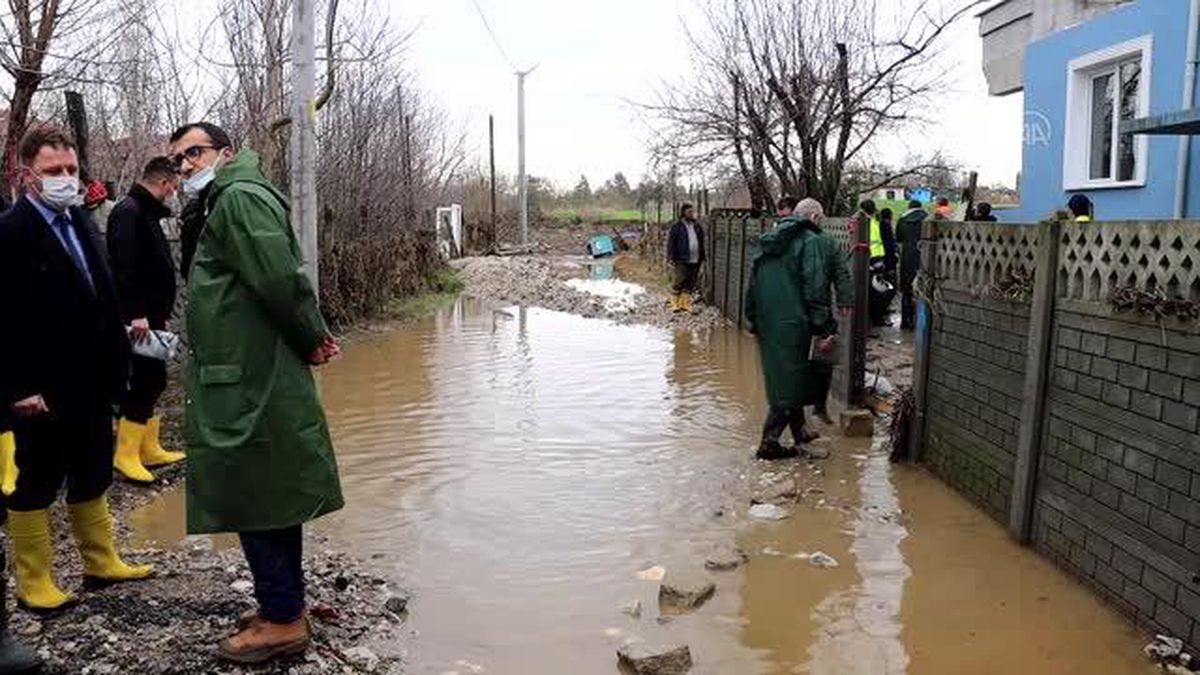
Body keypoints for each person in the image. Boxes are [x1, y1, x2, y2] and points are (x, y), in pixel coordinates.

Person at [170, 122, 344, 664]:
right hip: (247, 371)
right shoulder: (227, 199)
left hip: (252, 376)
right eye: (178, 160)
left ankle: (283, 621)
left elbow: (279, 279)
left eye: (194, 153)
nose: (185, 166)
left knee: (257, 493)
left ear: (226, 152)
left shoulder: (239, 198)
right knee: (266, 491)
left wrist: (313, 336)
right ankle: (281, 605)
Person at [0, 125, 152, 613]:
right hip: (40, 386)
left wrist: (121, 362)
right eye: (53, 171)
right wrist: (17, 386)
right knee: (38, 478)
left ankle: (100, 562)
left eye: (71, 169)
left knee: (92, 468)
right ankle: (34, 581)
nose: (66, 178)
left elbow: (100, 295)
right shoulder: (9, 232)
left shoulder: (82, 221)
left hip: (94, 377)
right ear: (27, 175)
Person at [746, 196, 848, 461]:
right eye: (821, 219)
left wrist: (753, 320)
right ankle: (769, 442)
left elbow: (752, 284)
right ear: (813, 218)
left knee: (785, 377)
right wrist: (825, 327)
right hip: (796, 323)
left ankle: (799, 431)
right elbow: (815, 289)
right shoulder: (810, 242)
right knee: (789, 383)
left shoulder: (767, 242)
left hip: (769, 323)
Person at [107, 157, 186, 484]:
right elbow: (124, 268)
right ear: (165, 183)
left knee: (154, 380)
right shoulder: (128, 212)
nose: (175, 193)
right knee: (143, 381)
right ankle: (126, 456)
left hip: (153, 316)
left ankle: (148, 447)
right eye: (174, 186)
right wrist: (137, 313)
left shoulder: (146, 212)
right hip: (137, 318)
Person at [793, 198, 854, 427]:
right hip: (819, 311)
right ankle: (819, 407)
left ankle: (796, 416)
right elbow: (842, 273)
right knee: (825, 359)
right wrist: (845, 300)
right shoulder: (826, 242)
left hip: (791, 311)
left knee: (794, 361)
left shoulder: (784, 240)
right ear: (815, 217)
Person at [666, 204, 705, 313]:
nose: (692, 214)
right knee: (679, 281)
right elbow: (671, 243)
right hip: (681, 258)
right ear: (683, 213)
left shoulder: (697, 226)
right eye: (689, 212)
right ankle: (675, 304)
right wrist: (670, 257)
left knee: (690, 282)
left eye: (692, 212)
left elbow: (701, 242)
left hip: (696, 258)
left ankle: (685, 304)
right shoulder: (677, 227)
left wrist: (702, 256)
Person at [896, 200, 928, 331]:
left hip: (907, 257)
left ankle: (905, 322)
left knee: (906, 290)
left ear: (909, 207)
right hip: (924, 257)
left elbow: (898, 238)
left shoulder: (902, 220)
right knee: (923, 290)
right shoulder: (928, 219)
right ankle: (921, 324)